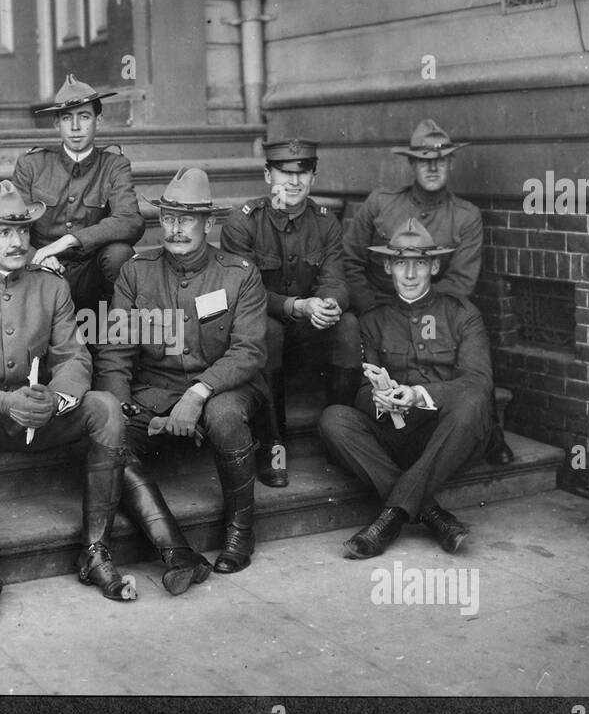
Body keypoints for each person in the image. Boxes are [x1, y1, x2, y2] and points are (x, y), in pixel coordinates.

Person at [0, 181, 135, 623]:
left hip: (39, 416)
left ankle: (96, 552)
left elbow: (75, 356)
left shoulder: (51, 286)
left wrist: (54, 400)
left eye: (21, 230)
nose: (17, 241)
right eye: (2, 232)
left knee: (106, 409)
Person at [96, 167, 267, 592]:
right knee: (110, 438)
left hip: (223, 387)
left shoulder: (238, 273)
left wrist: (200, 391)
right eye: (169, 217)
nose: (175, 229)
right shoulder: (137, 272)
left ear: (208, 224)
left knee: (226, 416)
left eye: (186, 219)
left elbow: (249, 351)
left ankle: (239, 533)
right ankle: (176, 551)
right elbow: (115, 351)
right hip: (154, 393)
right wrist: (124, 406)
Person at [318, 219, 494, 560]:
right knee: (334, 419)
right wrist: (380, 400)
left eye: (420, 264)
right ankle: (433, 514)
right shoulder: (372, 319)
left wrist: (419, 395)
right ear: (388, 266)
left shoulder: (462, 314)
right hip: (397, 435)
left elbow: (478, 381)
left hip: (448, 435)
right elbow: (358, 392)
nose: (410, 274)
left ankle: (390, 519)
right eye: (401, 263)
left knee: (472, 401)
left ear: (435, 265)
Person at [342, 118, 512, 465]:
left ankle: (486, 429)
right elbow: (351, 261)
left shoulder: (466, 216)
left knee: (470, 339)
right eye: (423, 159)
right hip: (378, 312)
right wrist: (378, 311)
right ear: (411, 164)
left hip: (437, 309)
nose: (432, 167)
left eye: (440, 159)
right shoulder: (380, 203)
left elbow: (461, 281)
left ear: (450, 163)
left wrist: (417, 308)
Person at [220, 138, 361, 489]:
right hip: (260, 339)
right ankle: (272, 447)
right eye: (285, 172)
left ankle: (340, 436)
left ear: (314, 176)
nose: (294, 181)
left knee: (348, 325)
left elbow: (337, 280)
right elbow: (244, 294)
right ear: (268, 174)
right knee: (269, 329)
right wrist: (295, 306)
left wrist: (329, 304)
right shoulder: (243, 223)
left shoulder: (326, 223)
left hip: (308, 335)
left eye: (304, 172)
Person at [11, 73, 145, 313]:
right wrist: (37, 256)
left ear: (99, 120)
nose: (75, 127)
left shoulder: (114, 165)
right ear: (56, 124)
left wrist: (69, 241)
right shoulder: (31, 164)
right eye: (66, 118)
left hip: (91, 273)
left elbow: (131, 220)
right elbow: (12, 224)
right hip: (42, 270)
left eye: (84, 117)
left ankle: (115, 338)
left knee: (119, 254)